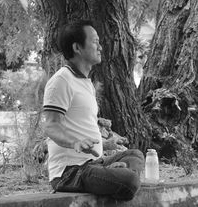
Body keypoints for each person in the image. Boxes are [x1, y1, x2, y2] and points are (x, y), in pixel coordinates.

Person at [43, 20, 144, 200]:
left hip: (93, 163)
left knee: (135, 155)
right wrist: (75, 142)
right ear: (77, 47)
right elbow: (51, 126)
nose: (100, 47)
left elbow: (80, 125)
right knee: (129, 181)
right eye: (95, 41)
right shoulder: (61, 81)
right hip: (69, 172)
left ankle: (110, 173)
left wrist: (103, 145)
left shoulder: (85, 82)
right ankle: (114, 175)